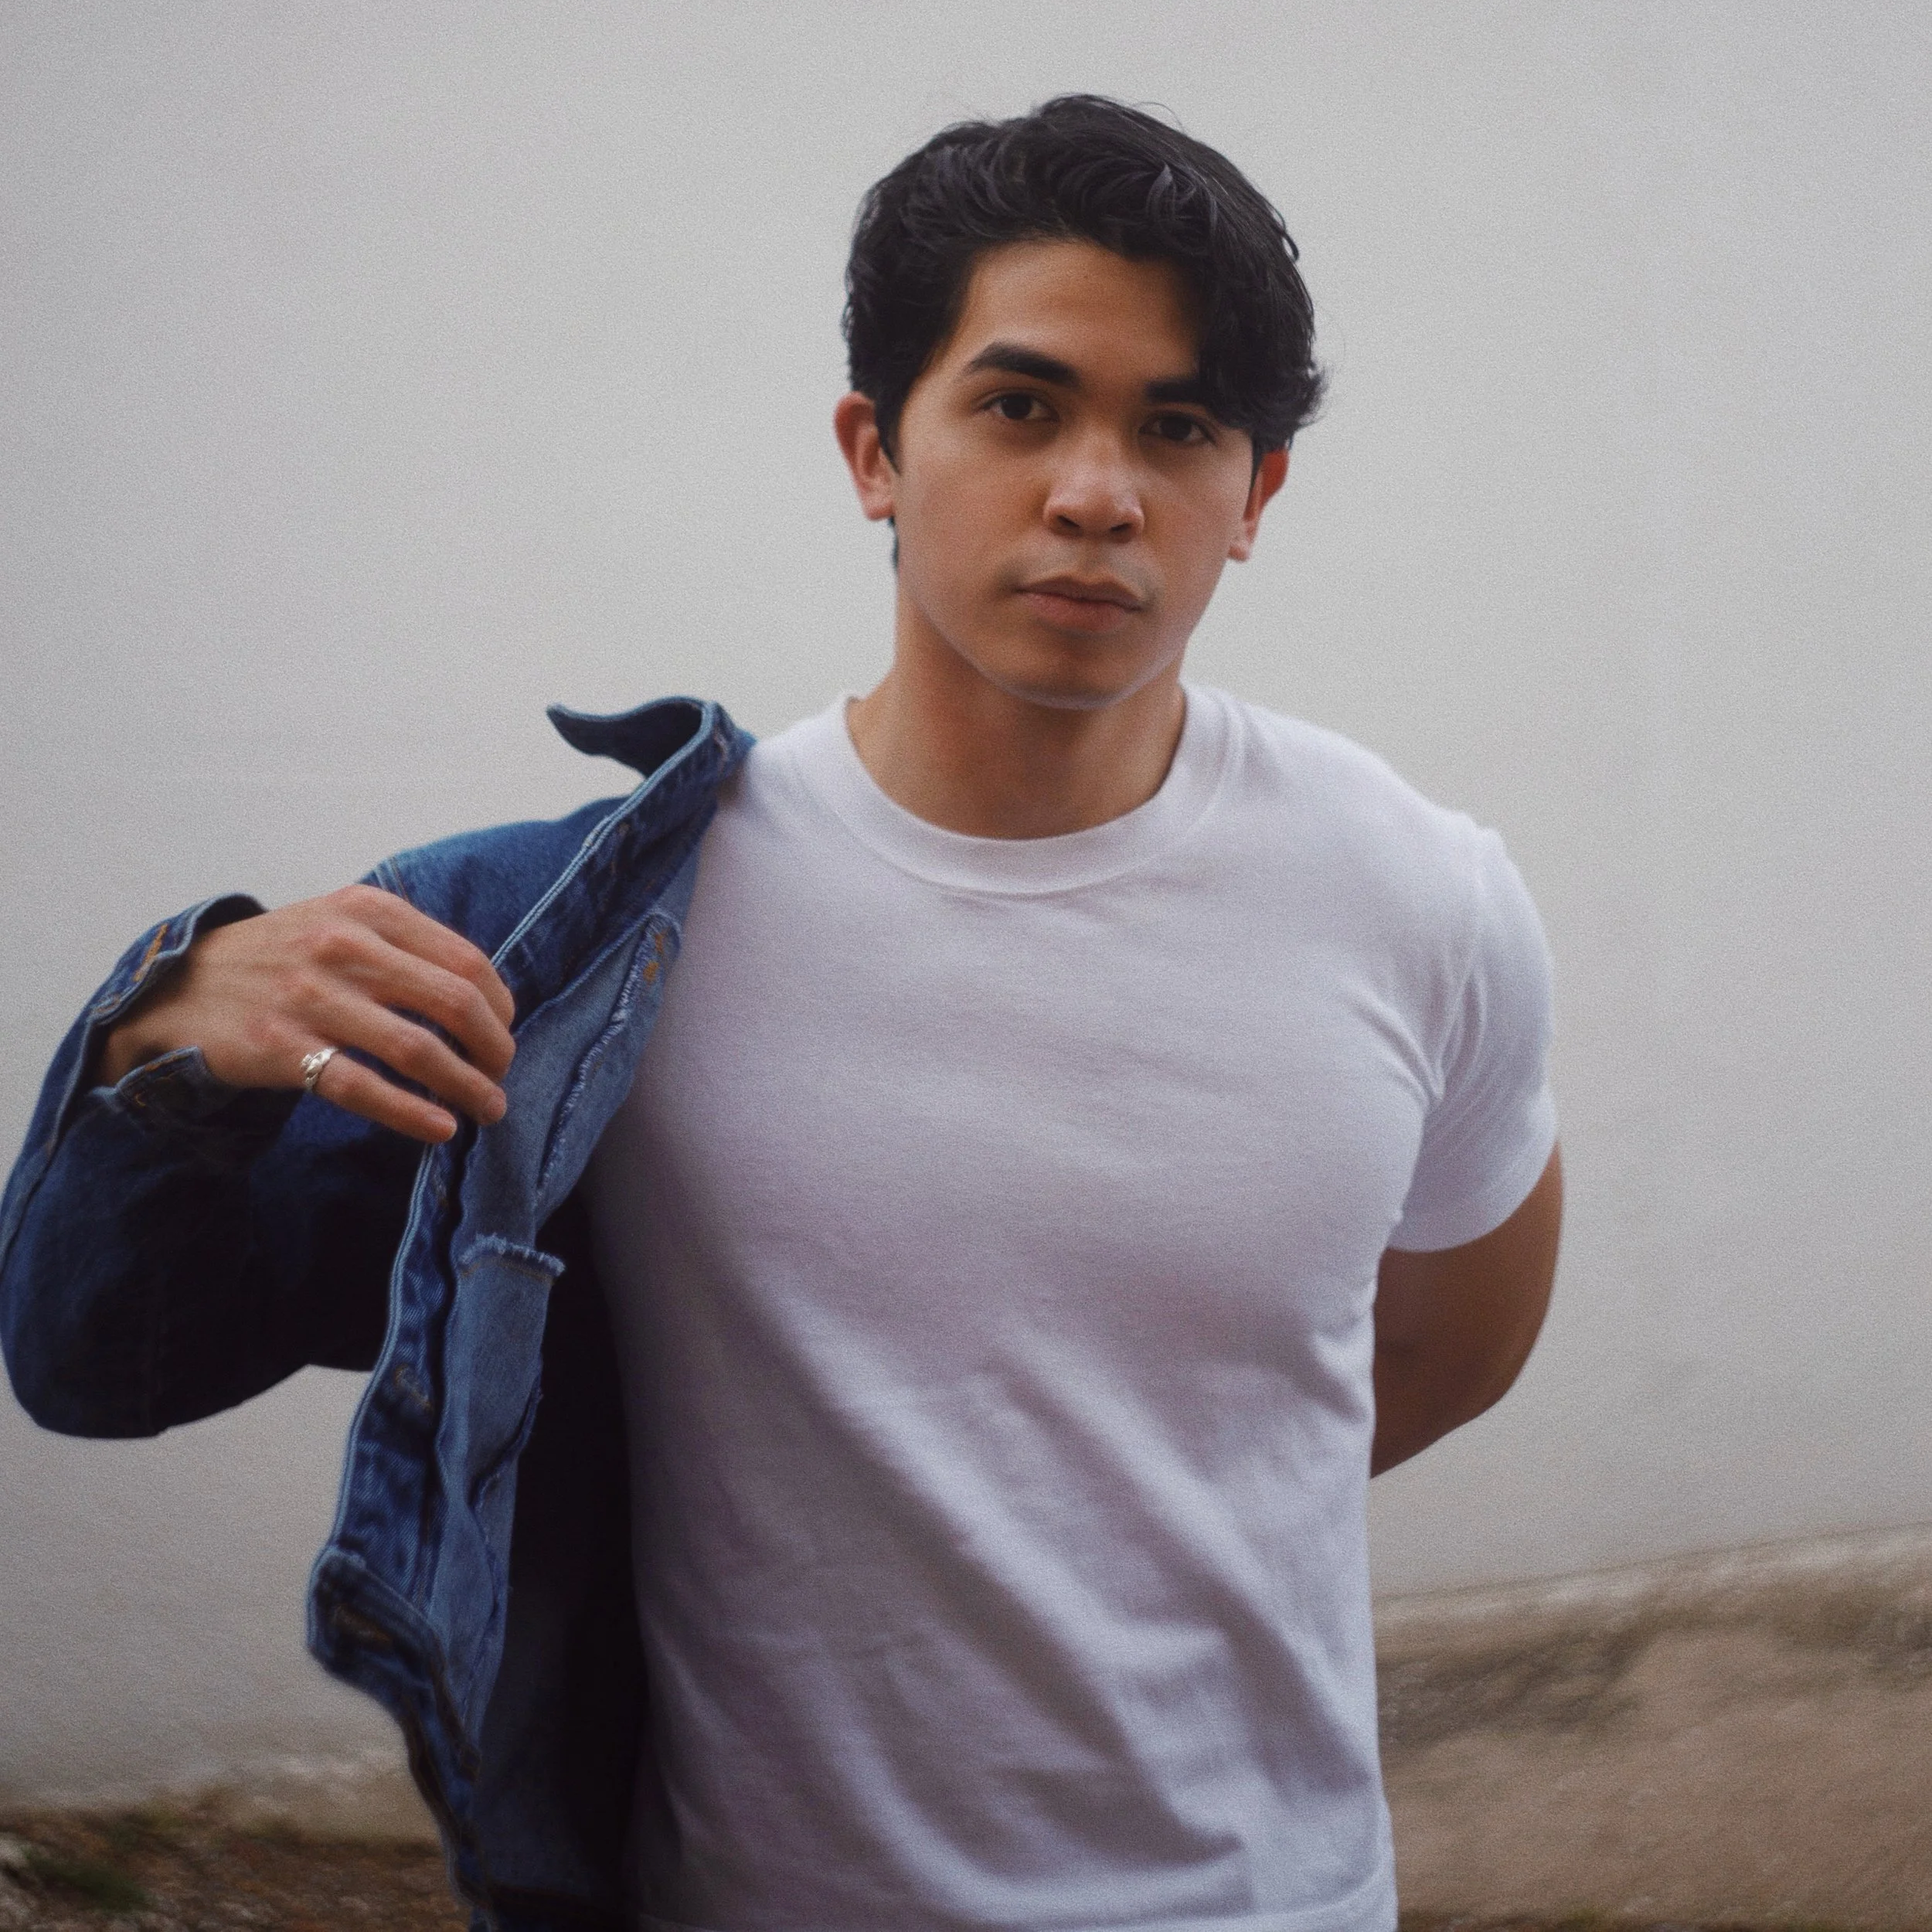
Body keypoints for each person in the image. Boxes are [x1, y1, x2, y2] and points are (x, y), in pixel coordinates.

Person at [0, 96, 1561, 1932]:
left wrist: (1131, 1481)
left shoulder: (1421, 895)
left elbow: (1446, 1347)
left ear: (1254, 496)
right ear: (872, 449)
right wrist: (154, 1049)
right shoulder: (582, 939)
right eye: (1018, 403)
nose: (1093, 490)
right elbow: (92, 1362)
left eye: (1179, 425)